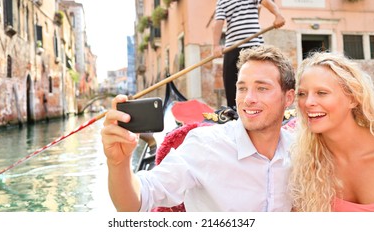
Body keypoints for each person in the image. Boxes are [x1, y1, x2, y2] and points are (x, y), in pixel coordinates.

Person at [101, 45, 296, 212]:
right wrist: (118, 164)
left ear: (288, 98)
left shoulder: (299, 152)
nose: (248, 99)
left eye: (262, 88)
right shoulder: (206, 145)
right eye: (242, 88)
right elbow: (136, 202)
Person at [289, 51, 374, 212]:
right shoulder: (307, 164)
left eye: (321, 93)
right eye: (302, 94)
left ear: (352, 98)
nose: (308, 103)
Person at [212, 0, 286, 110]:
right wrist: (215, 46)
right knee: (231, 82)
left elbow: (267, 2)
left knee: (258, 79)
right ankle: (234, 113)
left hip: (254, 46)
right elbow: (218, 24)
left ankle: (264, 107)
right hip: (232, 47)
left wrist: (277, 15)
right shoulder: (221, 1)